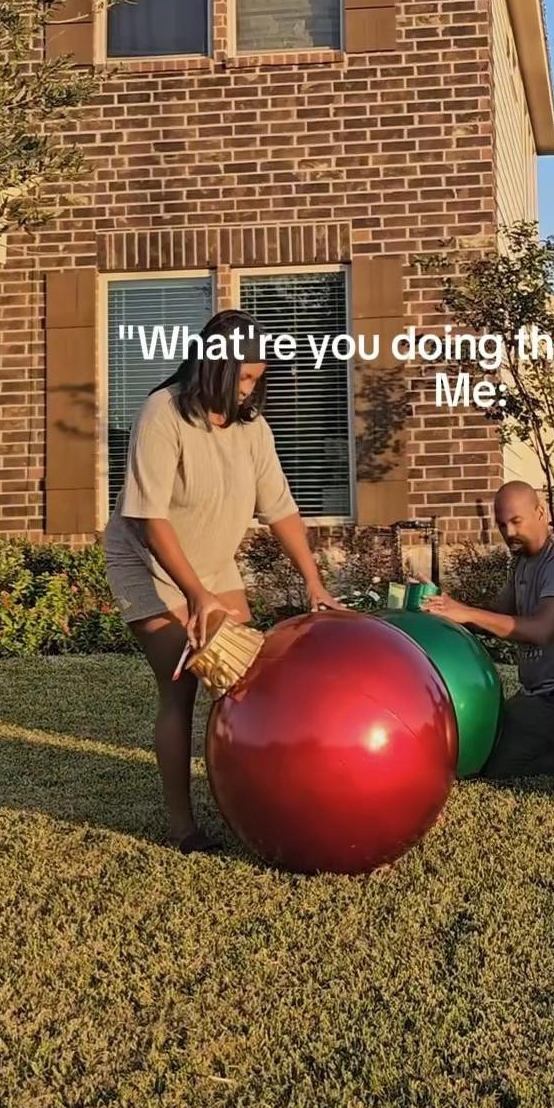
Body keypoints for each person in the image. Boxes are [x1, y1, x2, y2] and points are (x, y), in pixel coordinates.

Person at [103, 310, 341, 851]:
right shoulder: (161, 414)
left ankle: (249, 799)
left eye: (257, 378)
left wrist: (314, 583)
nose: (249, 390)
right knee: (184, 684)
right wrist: (195, 596)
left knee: (245, 680)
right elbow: (147, 516)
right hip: (148, 564)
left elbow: (280, 508)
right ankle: (183, 828)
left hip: (211, 562)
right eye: (244, 377)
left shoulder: (252, 428)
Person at [421, 482, 554, 777]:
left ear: (540, 513)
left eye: (516, 521)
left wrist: (467, 613)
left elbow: (542, 629)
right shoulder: (523, 562)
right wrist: (446, 606)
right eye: (502, 525)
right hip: (534, 694)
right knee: (480, 738)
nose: (509, 533)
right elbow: (496, 616)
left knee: (493, 765)